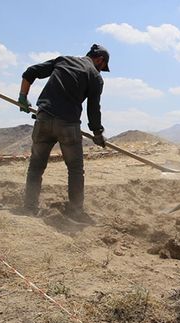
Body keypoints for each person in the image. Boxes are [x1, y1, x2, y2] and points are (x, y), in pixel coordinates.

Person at [17, 44, 109, 221]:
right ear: (100, 60)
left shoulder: (63, 60)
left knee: (36, 166)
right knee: (75, 169)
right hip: (68, 125)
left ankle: (29, 207)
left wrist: (23, 96)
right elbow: (93, 109)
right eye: (103, 67)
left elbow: (30, 72)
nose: (101, 70)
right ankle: (75, 212)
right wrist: (97, 132)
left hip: (43, 119)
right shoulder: (95, 76)